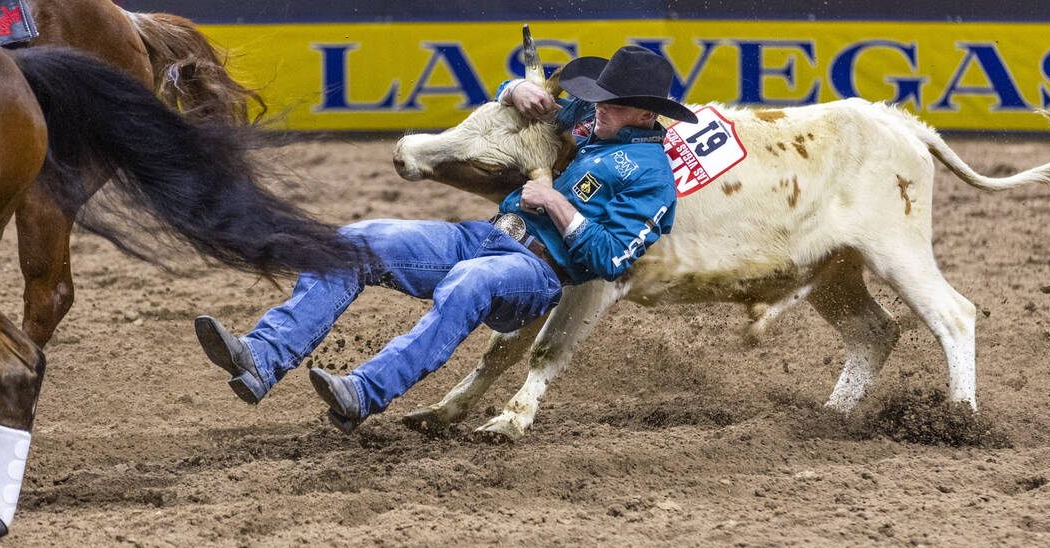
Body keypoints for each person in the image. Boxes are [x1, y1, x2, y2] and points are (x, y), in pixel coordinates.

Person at [194, 45, 697, 433]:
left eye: (612, 105)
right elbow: (523, 111)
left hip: (537, 273)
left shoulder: (653, 179)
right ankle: (263, 356)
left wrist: (554, 202)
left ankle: (363, 392)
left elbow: (611, 258)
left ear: (645, 114)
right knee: (356, 240)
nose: (598, 109)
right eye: (599, 100)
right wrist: (512, 90)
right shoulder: (590, 121)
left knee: (471, 283)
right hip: (486, 235)